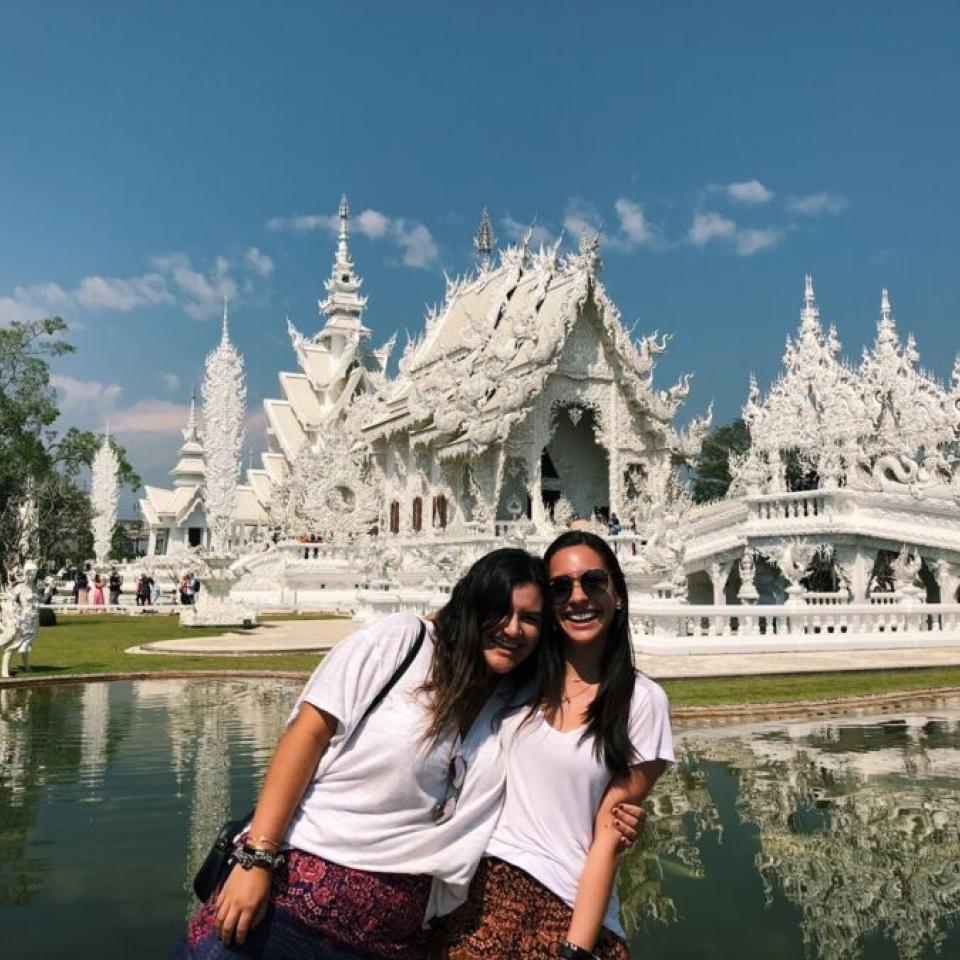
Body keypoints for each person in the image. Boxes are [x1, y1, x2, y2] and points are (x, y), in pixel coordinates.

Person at [172, 547, 551, 960]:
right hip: (287, 906)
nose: (513, 629)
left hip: (394, 939)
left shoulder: (513, 701)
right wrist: (256, 858)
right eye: (499, 611)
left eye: (529, 618)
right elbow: (307, 735)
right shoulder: (403, 642)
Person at [439, 530, 674, 960]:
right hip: (477, 896)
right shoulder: (515, 679)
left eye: (594, 582)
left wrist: (576, 949)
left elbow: (609, 834)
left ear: (618, 594)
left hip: (567, 905)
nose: (578, 597)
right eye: (560, 587)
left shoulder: (642, 702)